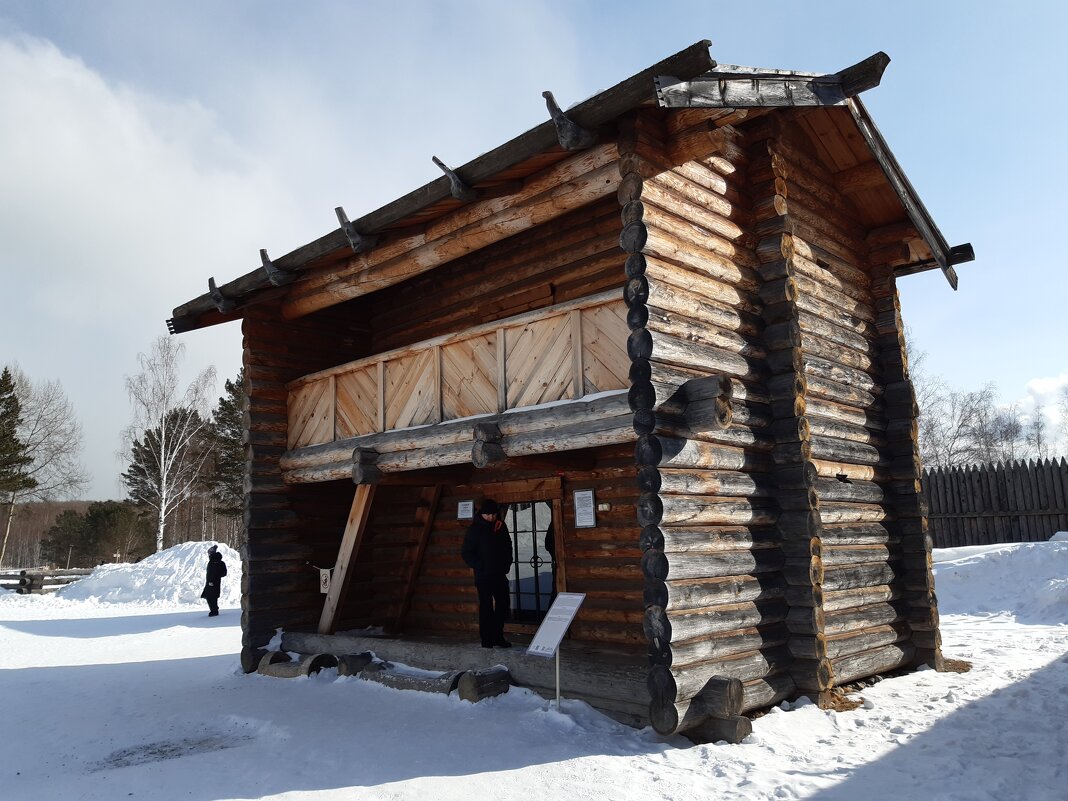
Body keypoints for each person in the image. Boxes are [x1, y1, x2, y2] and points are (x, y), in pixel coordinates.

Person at [461, 499, 513, 648]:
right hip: (483, 575)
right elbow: (467, 553)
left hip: (499, 574)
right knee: (486, 607)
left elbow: (507, 546)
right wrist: (480, 565)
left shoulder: (500, 526)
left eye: (493, 514)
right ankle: (487, 639)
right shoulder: (475, 530)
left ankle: (498, 635)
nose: (491, 517)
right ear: (482, 514)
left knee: (503, 604)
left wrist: (507, 564)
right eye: (488, 514)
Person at [200, 545, 227, 617]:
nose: (208, 555)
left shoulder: (214, 562)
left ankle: (214, 611)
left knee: (210, 596)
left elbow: (223, 573)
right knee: (212, 596)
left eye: (209, 553)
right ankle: (215, 608)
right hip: (212, 582)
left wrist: (213, 579)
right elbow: (223, 573)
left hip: (213, 582)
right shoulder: (215, 562)